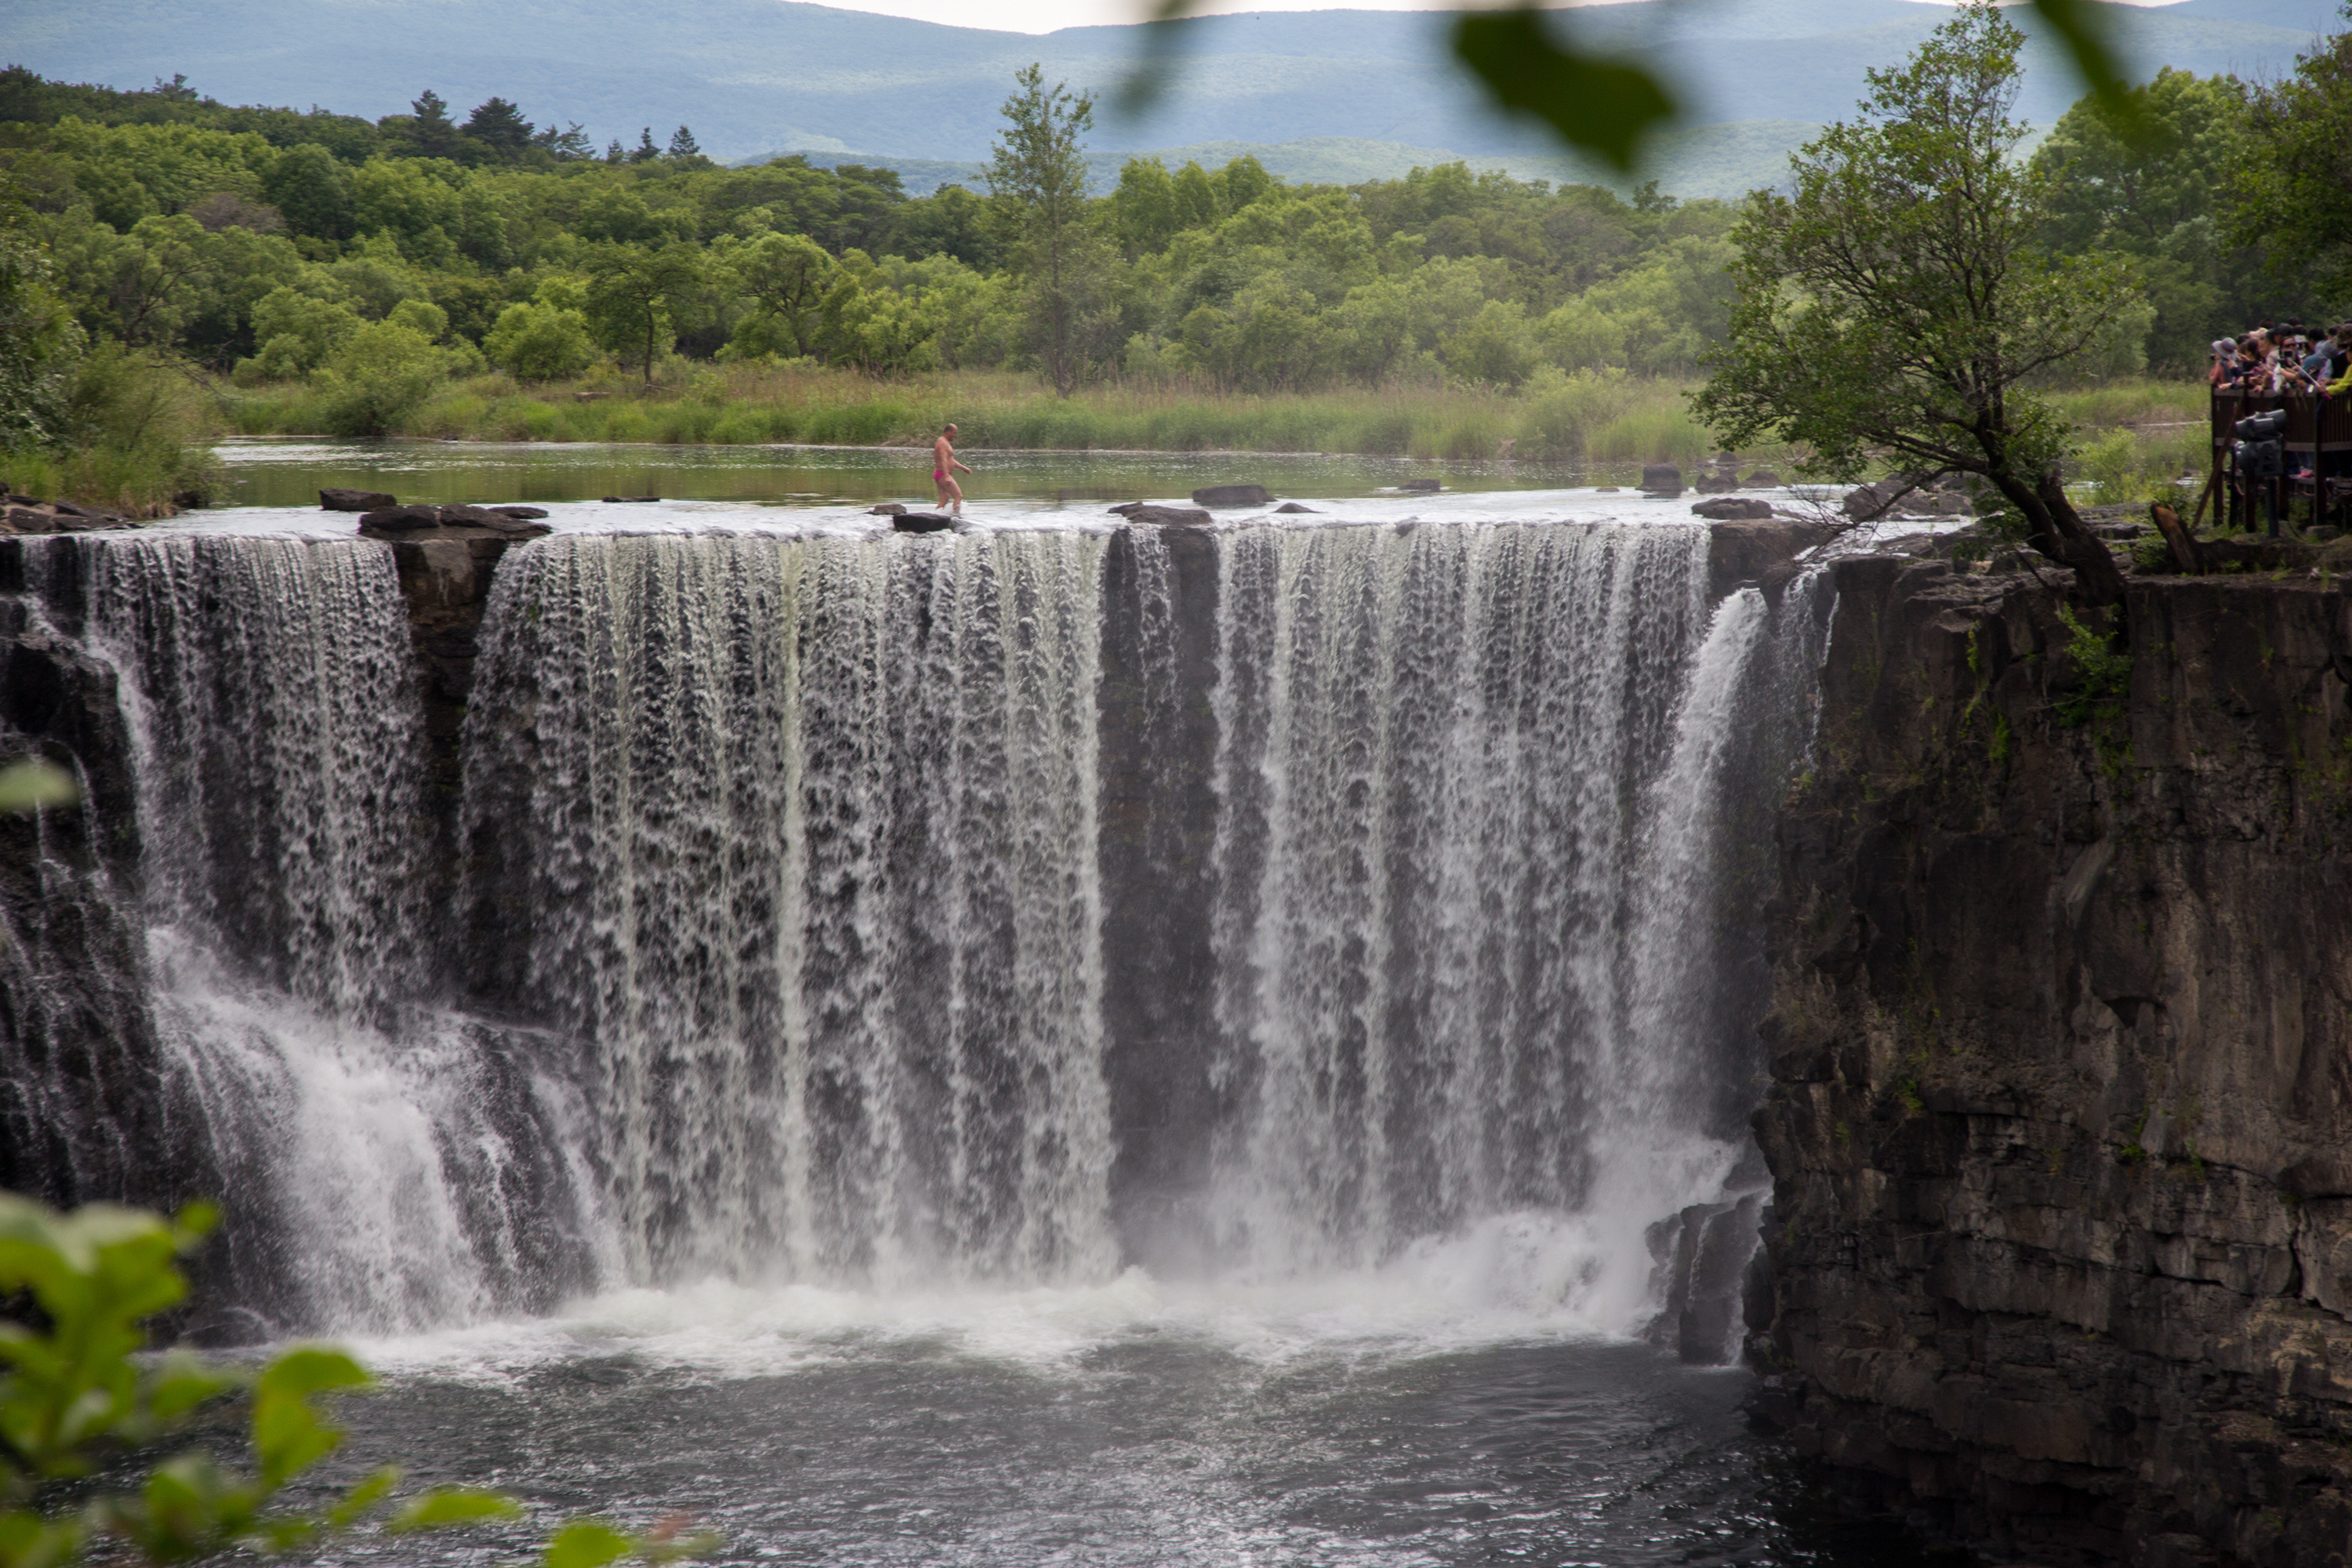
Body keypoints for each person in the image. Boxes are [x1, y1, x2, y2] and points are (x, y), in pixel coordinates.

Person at [932, 423, 971, 517]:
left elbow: (950, 460)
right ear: (948, 432)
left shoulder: (945, 442)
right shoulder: (942, 443)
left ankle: (933, 517)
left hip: (939, 474)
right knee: (958, 496)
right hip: (942, 474)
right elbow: (943, 460)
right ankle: (956, 518)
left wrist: (964, 468)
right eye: (954, 433)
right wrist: (947, 476)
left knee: (944, 499)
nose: (955, 436)